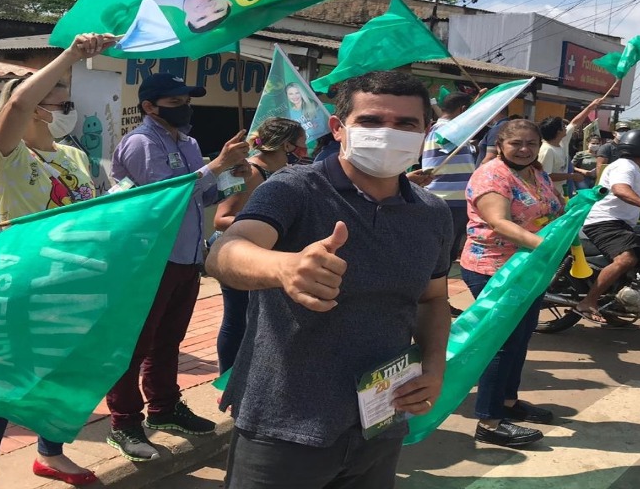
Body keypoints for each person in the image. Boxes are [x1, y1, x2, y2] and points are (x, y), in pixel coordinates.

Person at [206, 71, 453, 489]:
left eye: (406, 124)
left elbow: (432, 300)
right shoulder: (296, 188)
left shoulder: (432, 213)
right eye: (372, 121)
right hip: (284, 421)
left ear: (425, 132)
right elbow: (225, 253)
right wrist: (284, 268)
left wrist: (432, 367)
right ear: (339, 129)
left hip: (380, 417)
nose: (388, 133)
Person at [0, 33, 115, 488]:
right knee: (1, 379)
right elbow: (11, 109)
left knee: (63, 371)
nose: (64, 105)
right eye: (56, 96)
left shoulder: (72, 154)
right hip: (21, 280)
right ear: (30, 104)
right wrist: (69, 55)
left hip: (74, 278)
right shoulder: (6, 154)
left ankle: (50, 453)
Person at [106, 73, 251, 461]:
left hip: (186, 257)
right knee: (134, 345)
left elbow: (199, 197)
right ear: (150, 107)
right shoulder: (140, 142)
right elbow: (166, 197)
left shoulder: (188, 143)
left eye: (186, 99)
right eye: (174, 101)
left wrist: (234, 180)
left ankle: (165, 408)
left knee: (168, 341)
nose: (184, 107)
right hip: (148, 260)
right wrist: (218, 163)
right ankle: (124, 422)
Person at [461, 119, 565, 448]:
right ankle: (489, 422)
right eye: (516, 143)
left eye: (531, 144)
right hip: (493, 268)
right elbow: (498, 222)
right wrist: (546, 247)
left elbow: (550, 209)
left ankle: (508, 403)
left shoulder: (536, 172)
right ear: (501, 145)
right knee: (500, 344)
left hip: (528, 268)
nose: (524, 149)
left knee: (519, 340)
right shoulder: (492, 175)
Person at [213, 118, 306, 373]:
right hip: (235, 255)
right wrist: (268, 225)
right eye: (302, 144)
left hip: (262, 254)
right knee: (237, 319)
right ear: (287, 145)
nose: (306, 151)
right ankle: (228, 379)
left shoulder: (283, 173)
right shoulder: (249, 172)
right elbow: (220, 219)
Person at [574, 130, 640, 323]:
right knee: (626, 260)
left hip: (619, 223)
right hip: (604, 221)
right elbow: (621, 190)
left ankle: (612, 308)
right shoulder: (624, 166)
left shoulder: (634, 170)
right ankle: (588, 301)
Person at [422, 92, 475, 268]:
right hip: (448, 200)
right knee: (442, 255)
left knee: (446, 254)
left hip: (453, 200)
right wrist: (481, 110)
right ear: (463, 110)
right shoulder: (447, 130)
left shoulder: (443, 129)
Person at [537, 97, 608, 188]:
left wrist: (591, 107)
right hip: (550, 195)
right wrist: (571, 176)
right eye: (563, 126)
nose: (566, 127)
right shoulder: (547, 150)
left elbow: (574, 123)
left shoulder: (562, 141)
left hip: (561, 192)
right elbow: (545, 176)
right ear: (558, 131)